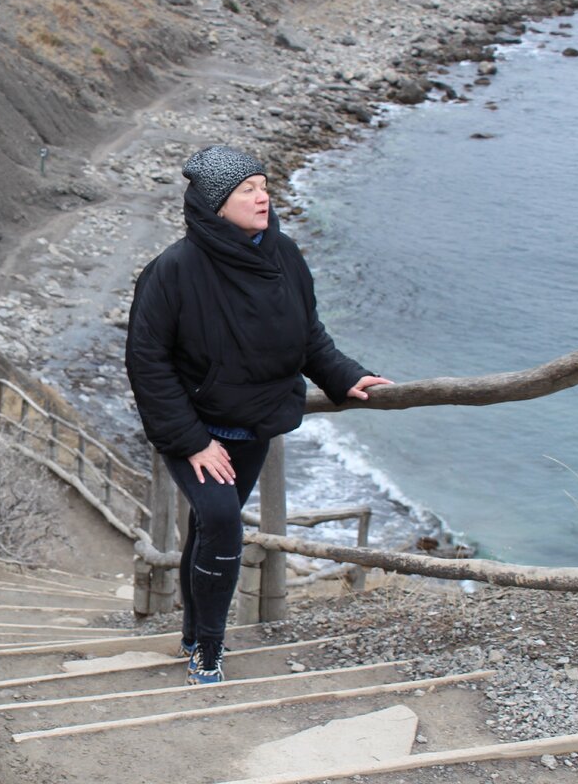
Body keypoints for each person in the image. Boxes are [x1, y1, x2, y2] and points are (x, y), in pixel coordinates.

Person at [124, 145, 391, 685]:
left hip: (254, 426)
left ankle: (192, 634)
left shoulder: (283, 255)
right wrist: (193, 441)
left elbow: (308, 335)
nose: (262, 197)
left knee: (209, 526)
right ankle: (209, 648)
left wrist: (344, 375)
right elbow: (147, 362)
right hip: (197, 432)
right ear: (216, 203)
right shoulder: (172, 271)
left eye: (264, 186)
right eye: (247, 189)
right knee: (223, 522)